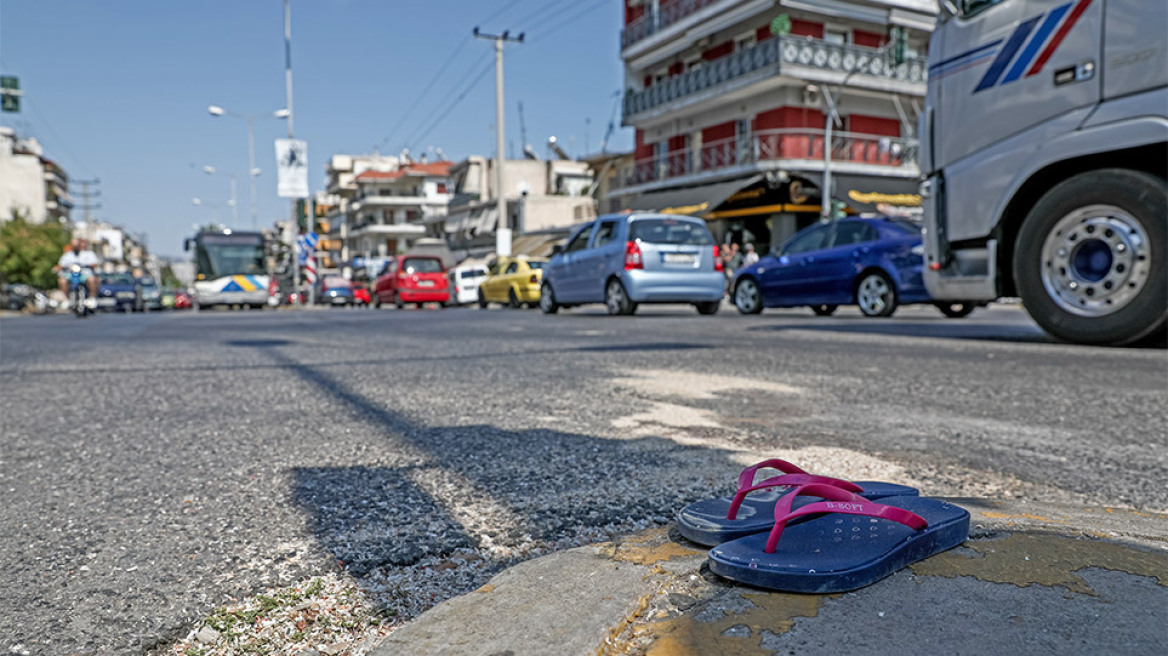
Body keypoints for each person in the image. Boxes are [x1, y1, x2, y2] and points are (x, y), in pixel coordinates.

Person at [54, 238, 101, 307]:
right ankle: (67, 299)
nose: (75, 247)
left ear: (80, 245)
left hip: (84, 274)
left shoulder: (88, 254)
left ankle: (92, 298)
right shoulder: (67, 255)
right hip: (71, 274)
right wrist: (57, 268)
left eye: (76, 245)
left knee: (91, 279)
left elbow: (95, 264)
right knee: (62, 280)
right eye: (73, 245)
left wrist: (89, 265)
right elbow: (60, 265)